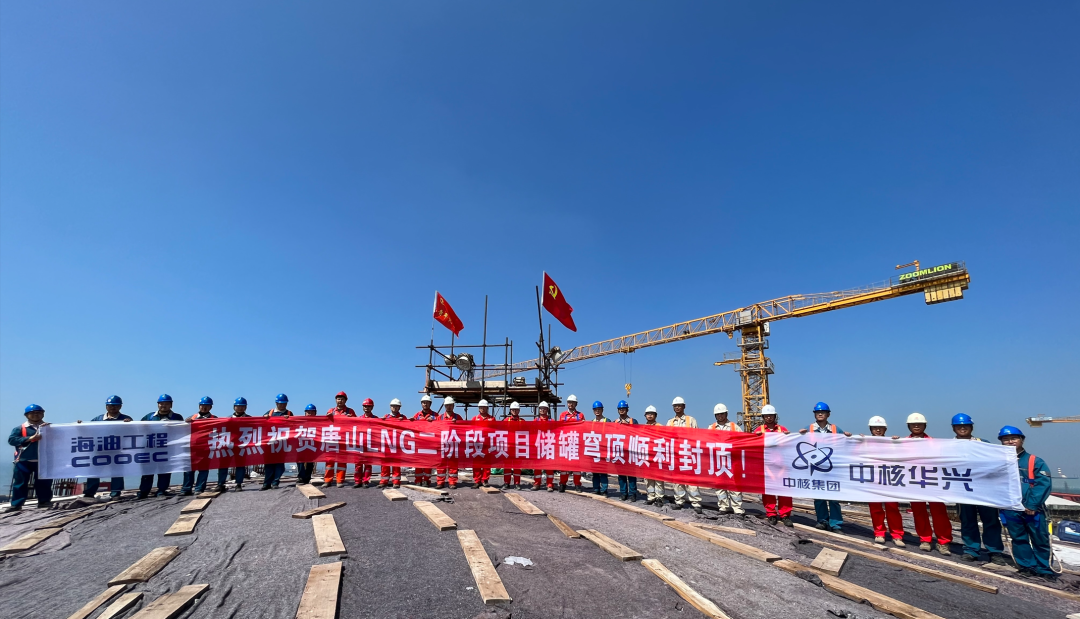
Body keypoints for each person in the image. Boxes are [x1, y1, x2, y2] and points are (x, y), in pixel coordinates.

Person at [998, 425, 1057, 581]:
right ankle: (1027, 566)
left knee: (1040, 538)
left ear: (1021, 440)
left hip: (1032, 510)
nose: (1010, 442)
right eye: (1006, 439)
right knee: (1018, 538)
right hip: (1011, 508)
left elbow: (1043, 484)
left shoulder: (1034, 461)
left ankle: (1044, 568)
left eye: (1013, 438)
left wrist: (1032, 504)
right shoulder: (999, 462)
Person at [952, 413, 1006, 565]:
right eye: (959, 426)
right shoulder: (949, 446)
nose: (962, 428)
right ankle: (971, 549)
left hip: (984, 489)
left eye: (965, 425)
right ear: (953, 428)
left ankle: (994, 551)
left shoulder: (983, 444)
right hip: (963, 489)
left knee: (991, 520)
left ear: (971, 427)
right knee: (967, 520)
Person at [902, 413, 953, 554]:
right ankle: (925, 539)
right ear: (909, 426)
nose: (916, 426)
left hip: (932, 481)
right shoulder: (902, 443)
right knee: (918, 511)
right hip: (913, 481)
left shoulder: (934, 443)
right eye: (913, 424)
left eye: (919, 424)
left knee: (939, 511)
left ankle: (943, 541)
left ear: (925, 426)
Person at [798, 402, 852, 531]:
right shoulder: (808, 429)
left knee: (834, 497)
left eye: (823, 412)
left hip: (832, 468)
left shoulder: (835, 429)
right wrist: (799, 435)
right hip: (816, 468)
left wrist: (849, 438)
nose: (820, 414)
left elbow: (845, 445)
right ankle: (822, 521)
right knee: (819, 496)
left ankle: (835, 524)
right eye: (818, 412)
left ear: (828, 414)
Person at [863, 416, 905, 546]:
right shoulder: (865, 443)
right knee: (875, 508)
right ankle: (879, 533)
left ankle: (897, 535)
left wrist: (898, 442)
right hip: (873, 480)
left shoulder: (891, 442)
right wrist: (854, 439)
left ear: (885, 429)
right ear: (871, 429)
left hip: (889, 479)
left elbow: (902, 454)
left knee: (892, 508)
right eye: (875, 428)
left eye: (880, 428)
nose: (878, 430)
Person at [83, 395, 133, 499]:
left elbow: (134, 432)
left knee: (117, 472)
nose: (113, 407)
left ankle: (115, 492)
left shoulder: (125, 419)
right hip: (99, 450)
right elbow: (87, 429)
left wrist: (129, 425)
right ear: (106, 406)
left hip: (117, 450)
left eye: (116, 405)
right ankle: (90, 492)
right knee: (94, 472)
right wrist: (80, 425)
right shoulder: (98, 419)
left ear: (120, 406)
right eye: (110, 405)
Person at [5, 404, 52, 512]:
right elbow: (12, 440)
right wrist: (30, 438)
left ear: (43, 414)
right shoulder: (20, 428)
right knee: (20, 483)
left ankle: (44, 501)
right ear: (26, 415)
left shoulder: (48, 427)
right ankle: (16, 504)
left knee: (44, 483)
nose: (36, 415)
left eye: (38, 412)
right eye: (32, 413)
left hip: (43, 460)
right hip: (23, 460)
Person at [138, 395, 185, 499]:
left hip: (167, 449)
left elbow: (182, 431)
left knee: (165, 470)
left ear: (171, 405)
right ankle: (144, 491)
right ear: (158, 404)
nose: (164, 405)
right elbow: (138, 428)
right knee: (147, 471)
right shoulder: (149, 417)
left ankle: (162, 490)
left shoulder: (177, 417)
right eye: (161, 403)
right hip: (150, 449)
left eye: (166, 403)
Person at [754, 405, 792, 526]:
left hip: (781, 465)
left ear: (775, 416)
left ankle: (785, 515)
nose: (768, 418)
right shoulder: (759, 430)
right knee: (768, 491)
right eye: (766, 416)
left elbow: (790, 445)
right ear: (763, 417)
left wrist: (789, 437)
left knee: (784, 491)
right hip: (767, 466)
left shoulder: (782, 429)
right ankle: (771, 514)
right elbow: (752, 446)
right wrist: (755, 437)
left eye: (770, 415)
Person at [182, 397, 228, 495]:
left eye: (207, 406)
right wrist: (186, 423)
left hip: (206, 448)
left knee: (203, 469)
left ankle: (199, 488)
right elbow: (184, 430)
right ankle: (186, 489)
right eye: (202, 405)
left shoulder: (214, 419)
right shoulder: (192, 417)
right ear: (199, 406)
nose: (204, 407)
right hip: (192, 448)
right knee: (189, 469)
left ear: (211, 407)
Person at [666, 396, 702, 513]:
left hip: (688, 454)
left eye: (679, 405)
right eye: (675, 406)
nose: (677, 407)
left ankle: (696, 503)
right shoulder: (670, 422)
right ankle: (679, 501)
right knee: (677, 480)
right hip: (676, 454)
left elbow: (696, 436)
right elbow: (667, 438)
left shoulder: (691, 420)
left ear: (684, 406)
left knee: (691, 480)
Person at [708, 403, 743, 515]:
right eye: (718, 414)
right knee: (719, 484)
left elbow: (742, 440)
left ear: (726, 414)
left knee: (734, 484)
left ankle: (737, 508)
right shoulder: (711, 428)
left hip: (731, 460)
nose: (720, 416)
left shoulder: (734, 427)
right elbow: (706, 441)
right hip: (718, 460)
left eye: (722, 414)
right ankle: (723, 506)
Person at [324, 391, 355, 487]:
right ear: (335, 400)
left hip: (344, 439)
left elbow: (357, 424)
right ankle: (327, 480)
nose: (340, 401)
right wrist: (327, 417)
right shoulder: (331, 411)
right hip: (332, 439)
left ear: (345, 401)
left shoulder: (350, 411)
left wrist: (352, 418)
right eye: (338, 399)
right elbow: (324, 423)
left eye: (342, 399)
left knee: (342, 461)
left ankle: (340, 480)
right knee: (329, 461)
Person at [261, 393, 292, 490]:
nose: (282, 405)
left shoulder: (289, 413)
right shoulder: (270, 413)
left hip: (282, 443)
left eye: (284, 403)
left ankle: (275, 482)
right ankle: (266, 483)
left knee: (279, 464)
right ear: (276, 403)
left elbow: (294, 427)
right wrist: (264, 418)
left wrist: (289, 420)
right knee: (268, 464)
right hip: (270, 442)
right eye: (280, 403)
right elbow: (261, 423)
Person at [558, 394, 586, 492]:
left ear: (576, 404)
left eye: (573, 403)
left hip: (576, 444)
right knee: (564, 466)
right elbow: (559, 428)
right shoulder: (562, 415)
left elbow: (584, 428)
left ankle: (577, 484)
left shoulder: (580, 415)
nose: (571, 404)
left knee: (576, 466)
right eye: (569, 402)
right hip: (565, 444)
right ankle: (562, 483)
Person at [380, 398, 408, 488]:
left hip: (397, 444)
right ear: (390, 407)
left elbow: (408, 429)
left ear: (399, 407)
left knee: (396, 464)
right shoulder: (386, 417)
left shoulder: (403, 418)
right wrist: (381, 421)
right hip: (387, 444)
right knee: (385, 463)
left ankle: (396, 481)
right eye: (393, 406)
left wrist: (404, 422)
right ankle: (384, 481)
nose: (394, 408)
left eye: (396, 406)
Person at [614, 400, 638, 502]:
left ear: (627, 410)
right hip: (620, 451)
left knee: (631, 474)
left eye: (623, 408)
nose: (621, 410)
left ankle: (632, 494)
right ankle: (623, 493)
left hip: (630, 451)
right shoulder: (615, 422)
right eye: (620, 409)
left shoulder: (633, 421)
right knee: (621, 475)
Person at [436, 397, 463, 489]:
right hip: (442, 444)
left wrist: (458, 423)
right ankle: (440, 482)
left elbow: (463, 429)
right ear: (445, 406)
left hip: (453, 445)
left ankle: (452, 482)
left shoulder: (458, 417)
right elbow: (434, 428)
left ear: (453, 406)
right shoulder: (440, 417)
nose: (449, 407)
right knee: (441, 464)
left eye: (450, 405)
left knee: (453, 464)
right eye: (447, 405)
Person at [640, 406, 664, 506]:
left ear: (655, 415)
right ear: (645, 415)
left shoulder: (660, 426)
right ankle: (651, 497)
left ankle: (659, 498)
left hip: (657, 455)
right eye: (648, 414)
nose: (650, 415)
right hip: (647, 456)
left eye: (652, 413)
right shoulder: (642, 428)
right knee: (648, 478)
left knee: (658, 478)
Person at [412, 395, 437, 486]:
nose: (425, 404)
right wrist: (411, 421)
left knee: (428, 463)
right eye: (423, 402)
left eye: (427, 402)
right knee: (418, 462)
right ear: (421, 404)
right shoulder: (417, 415)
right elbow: (412, 426)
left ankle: (426, 480)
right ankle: (418, 480)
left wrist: (434, 421)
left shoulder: (435, 416)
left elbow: (440, 426)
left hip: (430, 443)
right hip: (419, 443)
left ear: (430, 404)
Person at [532, 402, 557, 492]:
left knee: (549, 467)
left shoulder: (552, 421)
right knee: (537, 467)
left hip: (548, 446)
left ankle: (549, 484)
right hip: (539, 446)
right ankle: (537, 483)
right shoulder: (535, 421)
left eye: (544, 408)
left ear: (547, 410)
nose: (542, 410)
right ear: (539, 410)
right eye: (541, 408)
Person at [470, 399, 495, 488]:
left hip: (487, 444)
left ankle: (485, 480)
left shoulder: (492, 419)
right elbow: (471, 430)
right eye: (481, 407)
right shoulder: (475, 418)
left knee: (487, 463)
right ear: (478, 408)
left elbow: (495, 431)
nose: (482, 409)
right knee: (476, 463)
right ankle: (477, 481)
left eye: (484, 407)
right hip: (477, 444)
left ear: (487, 408)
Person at [354, 398, 377, 488]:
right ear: (363, 407)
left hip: (370, 445)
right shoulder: (359, 419)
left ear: (372, 407)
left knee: (368, 464)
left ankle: (365, 481)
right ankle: (357, 481)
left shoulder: (376, 419)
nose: (366, 408)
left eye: (368, 406)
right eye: (365, 406)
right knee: (358, 464)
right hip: (359, 444)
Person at [590, 400, 611, 496]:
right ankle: (596, 488)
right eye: (595, 409)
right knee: (595, 471)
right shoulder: (591, 422)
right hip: (595, 449)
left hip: (604, 449)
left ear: (602, 410)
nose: (597, 411)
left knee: (603, 471)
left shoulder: (607, 421)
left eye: (599, 409)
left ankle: (604, 489)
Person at [503, 402, 526, 489]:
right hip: (508, 447)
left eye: (516, 410)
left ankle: (517, 483)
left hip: (518, 447)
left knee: (517, 466)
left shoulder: (522, 422)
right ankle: (506, 483)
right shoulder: (506, 421)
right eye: (513, 410)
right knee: (507, 466)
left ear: (519, 411)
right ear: (510, 410)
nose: (514, 411)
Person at [230, 397, 252, 490]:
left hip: (243, 446)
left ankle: (238, 484)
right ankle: (220, 484)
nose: (240, 408)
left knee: (240, 465)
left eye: (242, 406)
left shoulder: (250, 419)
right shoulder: (228, 419)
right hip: (229, 445)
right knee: (223, 465)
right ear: (234, 407)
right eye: (238, 406)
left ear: (246, 407)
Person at [297, 404, 319, 485]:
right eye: (308, 412)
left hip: (313, 444)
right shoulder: (300, 421)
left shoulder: (319, 422)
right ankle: (301, 476)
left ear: (315, 413)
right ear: (305, 413)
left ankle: (307, 477)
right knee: (299, 460)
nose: (310, 414)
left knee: (310, 462)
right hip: (302, 444)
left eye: (312, 412)